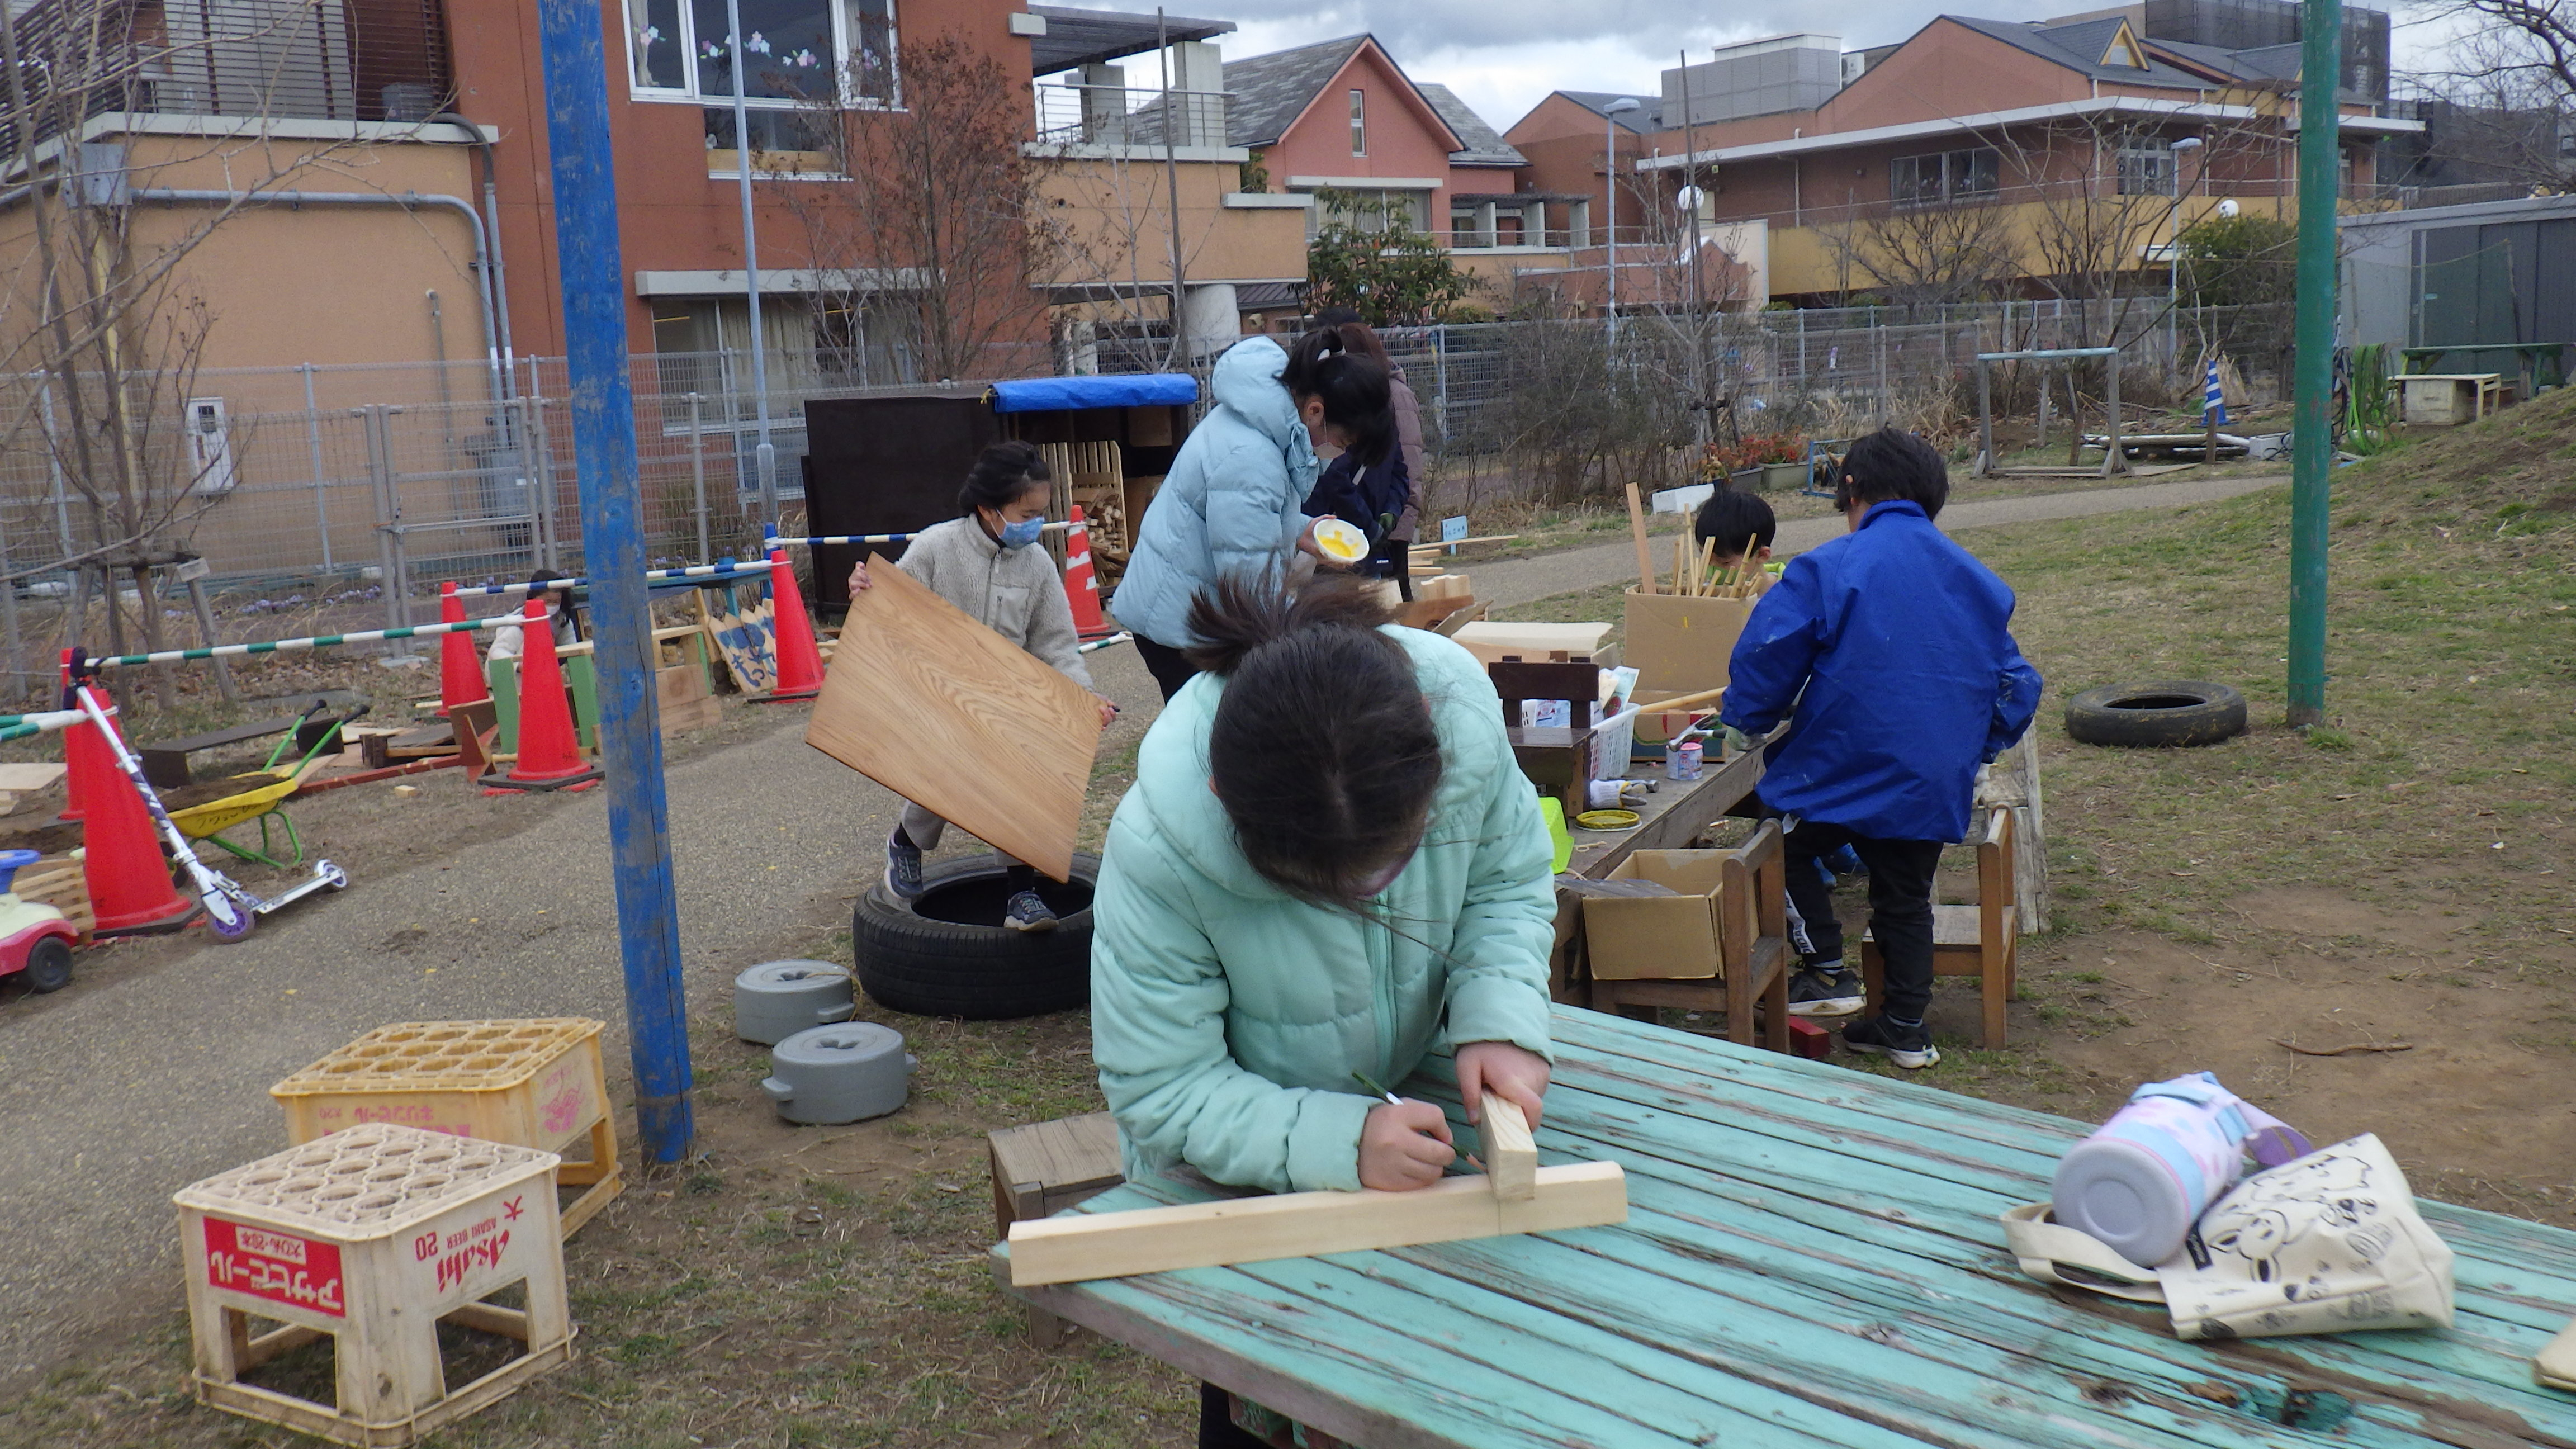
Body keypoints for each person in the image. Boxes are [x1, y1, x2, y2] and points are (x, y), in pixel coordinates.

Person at [1091, 576, 1556, 1443]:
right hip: (1239, 1182)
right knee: (1264, 1397)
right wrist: (1338, 1142)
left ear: (1426, 730)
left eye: (1395, 861)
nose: (1374, 895)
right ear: (1228, 801)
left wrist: (1499, 1015)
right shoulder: (1160, 848)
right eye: (1327, 889)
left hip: (1414, 1109)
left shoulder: (1462, 726)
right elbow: (1164, 1088)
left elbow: (1505, 883)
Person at [1717, 428, 2042, 1069]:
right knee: (1906, 898)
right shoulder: (1975, 579)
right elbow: (2018, 684)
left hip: (1837, 766)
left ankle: (1829, 972)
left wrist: (1746, 720)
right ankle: (1905, 1030)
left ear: (1851, 490)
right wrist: (1978, 750)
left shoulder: (1830, 566)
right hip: (1927, 780)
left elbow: (1768, 650)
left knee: (1776, 853)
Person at [847, 442, 1119, 933]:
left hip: (1005, 700)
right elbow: (889, 606)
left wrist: (1083, 700)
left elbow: (1057, 647)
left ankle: (1021, 891)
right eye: (1026, 513)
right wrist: (864, 590)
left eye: (1041, 514)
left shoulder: (1037, 566)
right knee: (957, 755)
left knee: (1016, 765)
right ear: (988, 508)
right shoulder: (935, 548)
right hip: (938, 692)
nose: (1034, 524)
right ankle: (907, 842)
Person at [1112, 328, 1395, 702]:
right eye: (1342, 444)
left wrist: (1302, 529)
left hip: (1191, 605)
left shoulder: (1264, 422)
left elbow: (1241, 521)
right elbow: (1247, 586)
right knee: (1213, 740)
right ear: (1315, 411)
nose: (1339, 454)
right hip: (1180, 623)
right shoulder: (1252, 458)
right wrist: (1306, 627)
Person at [1314, 310, 1426, 598]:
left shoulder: (1388, 402)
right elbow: (1335, 477)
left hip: (1376, 537)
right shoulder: (1336, 416)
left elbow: (1404, 466)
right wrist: (1371, 526)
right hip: (1344, 540)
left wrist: (1393, 514)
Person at [1690, 486, 1778, 588]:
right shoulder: (1705, 596)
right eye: (1705, 556)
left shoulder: (1789, 598)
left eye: (1724, 562)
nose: (1711, 568)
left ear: (1762, 555)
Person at [488, 571, 581, 662]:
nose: (552, 606)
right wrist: (519, 667)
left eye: (556, 602)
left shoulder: (561, 620)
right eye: (547, 601)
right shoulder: (520, 622)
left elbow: (571, 647)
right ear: (533, 598)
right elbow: (496, 652)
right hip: (512, 670)